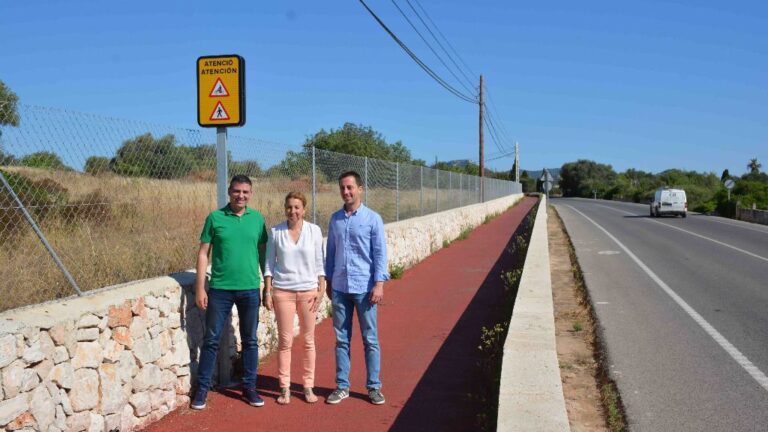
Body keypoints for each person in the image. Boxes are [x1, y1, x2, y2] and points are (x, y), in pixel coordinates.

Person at [191, 175, 269, 410]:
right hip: (220, 290)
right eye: (236, 191)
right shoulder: (215, 218)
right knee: (211, 340)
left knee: (250, 341)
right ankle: (202, 390)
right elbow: (204, 253)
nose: (241, 196)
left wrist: (268, 284)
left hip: (250, 289)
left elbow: (264, 253)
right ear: (229, 192)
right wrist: (199, 287)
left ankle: (249, 387)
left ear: (251, 194)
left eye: (245, 192)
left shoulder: (257, 219)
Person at [325, 171, 389, 405]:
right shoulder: (335, 219)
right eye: (343, 188)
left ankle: (374, 386)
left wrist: (379, 283)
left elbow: (380, 253)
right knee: (341, 339)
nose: (346, 192)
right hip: (341, 287)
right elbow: (330, 252)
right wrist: (330, 281)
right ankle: (342, 386)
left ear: (360, 189)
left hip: (365, 288)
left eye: (350, 187)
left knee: (370, 339)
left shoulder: (373, 219)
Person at [263, 191, 326, 405]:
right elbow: (270, 264)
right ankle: (285, 388)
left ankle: (308, 386)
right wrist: (268, 290)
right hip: (283, 292)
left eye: (297, 207)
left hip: (309, 291)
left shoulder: (314, 231)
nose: (293, 211)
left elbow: (320, 262)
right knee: (285, 341)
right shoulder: (276, 232)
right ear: (285, 208)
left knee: (308, 341)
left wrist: (321, 288)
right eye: (289, 207)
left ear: (304, 209)